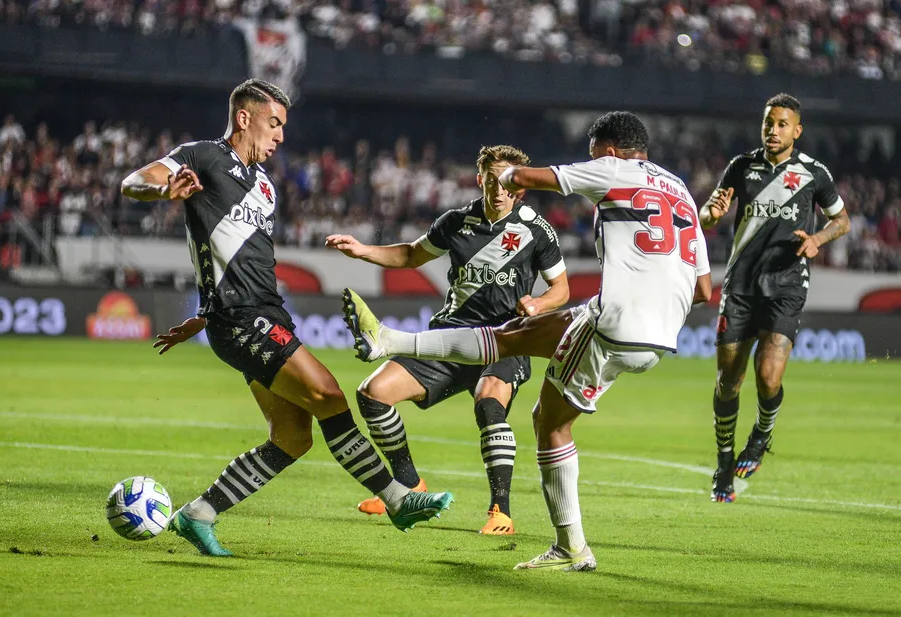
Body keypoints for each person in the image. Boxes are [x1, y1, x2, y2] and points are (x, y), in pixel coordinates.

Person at [343, 111, 713, 571]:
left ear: (609, 151)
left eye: (594, 155)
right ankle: (390, 349)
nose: (592, 162)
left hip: (614, 321)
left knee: (541, 412)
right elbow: (703, 290)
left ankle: (567, 546)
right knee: (516, 349)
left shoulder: (610, 171)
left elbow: (530, 178)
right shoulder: (680, 189)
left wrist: (507, 175)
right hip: (660, 335)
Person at [121, 78, 452, 557]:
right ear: (244, 118)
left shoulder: (264, 187)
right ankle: (398, 499)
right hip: (242, 319)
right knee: (329, 394)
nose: (280, 136)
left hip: (254, 314)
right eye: (274, 124)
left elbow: (231, 256)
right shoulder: (203, 157)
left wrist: (204, 314)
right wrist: (161, 190)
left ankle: (199, 513)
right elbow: (134, 182)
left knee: (293, 438)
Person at [325, 145, 569, 535]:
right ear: (480, 180)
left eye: (508, 183)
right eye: (492, 181)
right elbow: (410, 255)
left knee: (489, 405)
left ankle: (500, 512)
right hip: (450, 338)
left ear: (520, 187)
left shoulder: (536, 230)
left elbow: (562, 289)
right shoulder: (456, 222)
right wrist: (361, 250)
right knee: (373, 394)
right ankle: (408, 484)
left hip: (504, 341)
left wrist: (539, 304)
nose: (499, 190)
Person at [698, 93, 850, 502]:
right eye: (768, 122)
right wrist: (712, 215)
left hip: (786, 285)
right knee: (728, 382)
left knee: (768, 376)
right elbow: (707, 214)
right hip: (740, 286)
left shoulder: (814, 173)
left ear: (797, 130)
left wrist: (817, 239)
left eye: (782, 124)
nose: (773, 130)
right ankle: (724, 463)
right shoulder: (741, 167)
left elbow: (842, 220)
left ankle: (761, 436)